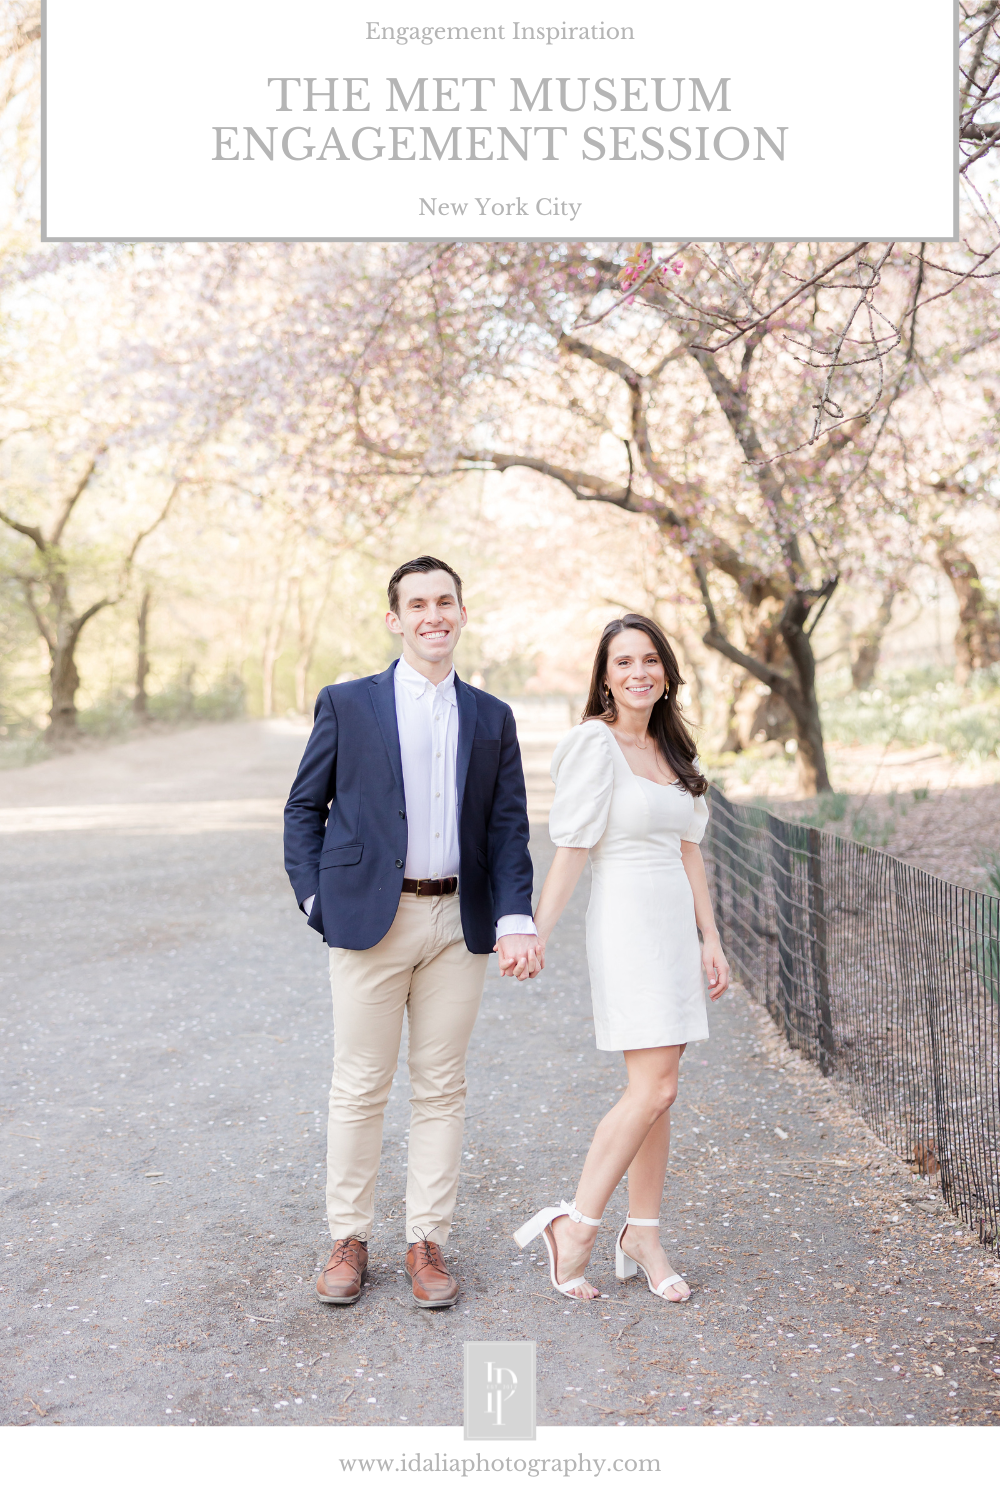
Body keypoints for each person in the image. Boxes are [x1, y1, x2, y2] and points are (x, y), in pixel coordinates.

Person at [284, 556, 542, 1310]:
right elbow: (305, 809)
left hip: (457, 924)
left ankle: (426, 1240)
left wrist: (514, 916)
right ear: (395, 619)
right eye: (417, 604)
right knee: (360, 1085)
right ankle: (348, 1238)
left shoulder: (492, 716)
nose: (434, 615)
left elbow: (507, 828)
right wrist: (313, 900)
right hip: (369, 919)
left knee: (441, 1088)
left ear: (462, 613)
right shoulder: (348, 703)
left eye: (446, 602)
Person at [514, 614, 730, 1303]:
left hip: (673, 926)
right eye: (623, 663)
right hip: (627, 925)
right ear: (605, 678)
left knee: (662, 1093)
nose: (639, 672)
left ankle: (644, 1231)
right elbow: (572, 847)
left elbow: (688, 848)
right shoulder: (592, 745)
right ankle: (575, 1227)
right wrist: (537, 929)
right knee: (653, 1088)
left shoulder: (673, 750)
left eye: (650, 660)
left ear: (666, 671)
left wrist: (711, 937)